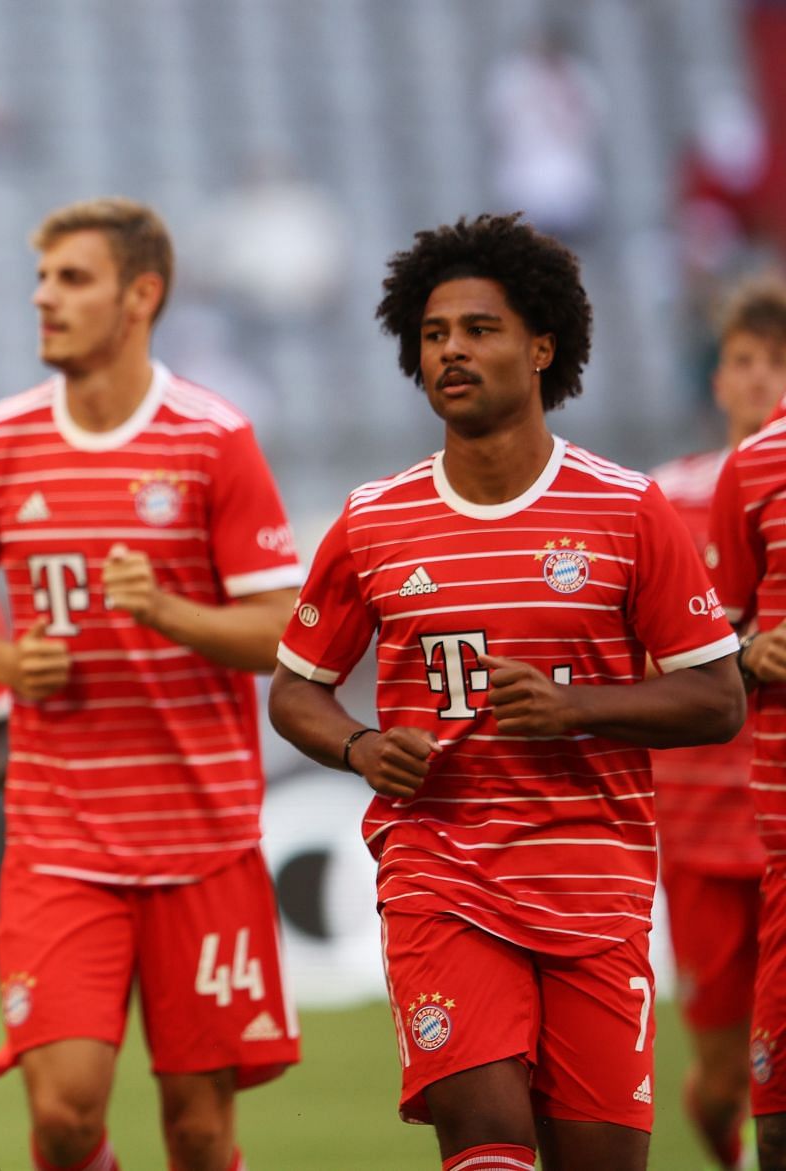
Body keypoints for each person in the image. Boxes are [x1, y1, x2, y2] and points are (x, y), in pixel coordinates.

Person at [269, 212, 745, 1171]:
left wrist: (577, 707)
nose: (452, 349)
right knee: (485, 1140)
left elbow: (716, 696)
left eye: (478, 329)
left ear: (541, 347)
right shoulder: (373, 520)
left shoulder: (626, 509)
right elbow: (296, 691)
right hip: (440, 873)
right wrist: (361, 747)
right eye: (435, 333)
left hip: (595, 883)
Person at [0, 197, 302, 1171]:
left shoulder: (214, 438)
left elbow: (284, 631)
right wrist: (4, 662)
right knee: (65, 1110)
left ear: (142, 296)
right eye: (42, 279)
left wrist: (170, 611)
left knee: (201, 1129)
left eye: (73, 279)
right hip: (59, 840)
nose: (45, 299)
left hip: (202, 840)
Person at [651, 279, 786, 1170]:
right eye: (743, 361)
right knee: (717, 1077)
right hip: (700, 827)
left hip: (770, 814)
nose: (760, 380)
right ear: (718, 378)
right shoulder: (665, 498)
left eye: (776, 363)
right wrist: (744, 654)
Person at [709, 288, 786, 1171]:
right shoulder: (747, 473)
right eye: (742, 358)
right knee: (742, 1085)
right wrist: (753, 650)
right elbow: (707, 647)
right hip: (732, 830)